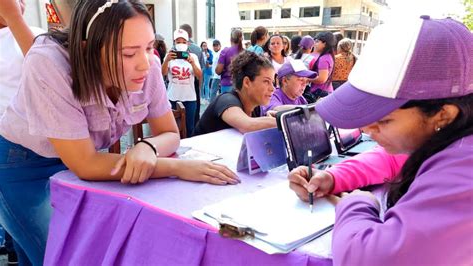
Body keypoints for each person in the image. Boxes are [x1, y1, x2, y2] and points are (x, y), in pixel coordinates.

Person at [0, 1, 238, 264]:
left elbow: (169, 132)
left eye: (149, 47)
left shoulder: (149, 65)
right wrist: (177, 167)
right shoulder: (49, 62)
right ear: (87, 50)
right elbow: (85, 163)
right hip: (21, 166)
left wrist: (148, 147)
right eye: (128, 54)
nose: (145, 65)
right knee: (64, 255)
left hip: (87, 161)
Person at [290, 16, 473, 265]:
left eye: (383, 121)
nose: (365, 128)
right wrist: (334, 176)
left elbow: (370, 257)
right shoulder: (448, 134)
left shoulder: (464, 169)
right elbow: (395, 156)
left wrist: (358, 203)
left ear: (443, 114)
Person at [0, 0, 44, 264]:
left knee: (31, 245)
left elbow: (49, 72)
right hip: (12, 154)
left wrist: (15, 19)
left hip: (54, 150)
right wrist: (13, 18)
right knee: (45, 248)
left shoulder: (36, 35)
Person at [193, 51, 277, 136]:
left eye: (272, 82)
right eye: (266, 81)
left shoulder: (255, 107)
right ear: (247, 82)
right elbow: (247, 125)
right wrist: (282, 121)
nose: (272, 88)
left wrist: (267, 118)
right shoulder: (226, 100)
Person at [163, 29, 201, 137]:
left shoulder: (193, 57)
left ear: (188, 43)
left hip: (189, 98)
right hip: (173, 97)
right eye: (178, 41)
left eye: (184, 42)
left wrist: (192, 63)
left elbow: (199, 75)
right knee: (174, 128)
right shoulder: (169, 56)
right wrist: (166, 61)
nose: (181, 44)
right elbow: (163, 73)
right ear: (174, 43)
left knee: (190, 127)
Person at [179, 24, 204, 126]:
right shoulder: (198, 49)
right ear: (191, 34)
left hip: (179, 82)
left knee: (179, 112)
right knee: (194, 114)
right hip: (194, 83)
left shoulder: (174, 48)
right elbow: (201, 69)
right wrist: (199, 87)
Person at [306, 31, 336, 101]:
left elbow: (322, 79)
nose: (314, 44)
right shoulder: (328, 56)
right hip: (325, 92)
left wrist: (307, 79)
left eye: (317, 41)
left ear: (324, 43)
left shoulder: (324, 58)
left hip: (320, 94)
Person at [215, 28, 244, 94]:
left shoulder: (225, 51)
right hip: (241, 86)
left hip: (227, 85)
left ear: (231, 39)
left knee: (227, 104)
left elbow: (218, 71)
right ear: (241, 39)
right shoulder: (245, 52)